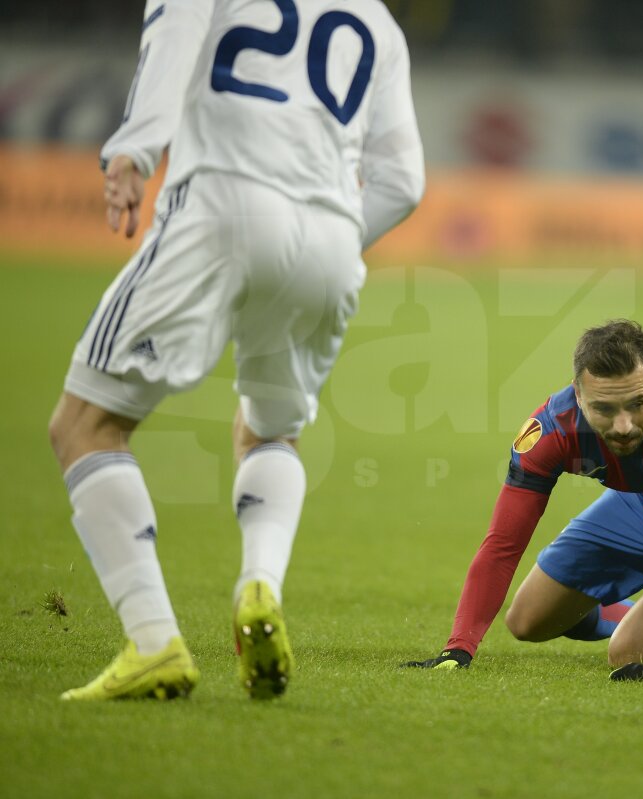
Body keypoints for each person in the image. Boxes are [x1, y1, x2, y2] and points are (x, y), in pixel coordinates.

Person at [47, 0, 425, 700]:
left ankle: (153, 642)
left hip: (220, 203)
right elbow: (404, 182)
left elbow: (173, 37)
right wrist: (332, 235)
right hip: (329, 237)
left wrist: (134, 150)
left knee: (84, 424)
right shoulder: (377, 21)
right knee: (270, 428)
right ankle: (260, 583)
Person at [406, 320, 643, 682]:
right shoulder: (553, 430)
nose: (623, 426)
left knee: (630, 652)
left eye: (638, 404)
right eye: (604, 409)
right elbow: (503, 545)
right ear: (578, 395)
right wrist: (458, 649)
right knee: (527, 620)